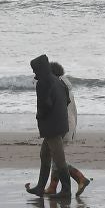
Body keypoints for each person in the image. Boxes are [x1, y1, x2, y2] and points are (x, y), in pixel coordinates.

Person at [25, 53, 72, 199]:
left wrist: (40, 116)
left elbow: (44, 104)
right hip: (61, 124)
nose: (34, 73)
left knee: (59, 159)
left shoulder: (43, 83)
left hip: (53, 127)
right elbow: (67, 100)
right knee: (44, 155)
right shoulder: (58, 81)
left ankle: (66, 191)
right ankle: (40, 187)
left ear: (40, 69)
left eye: (35, 70)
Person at [44, 61, 92, 197]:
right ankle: (53, 186)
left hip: (63, 126)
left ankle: (80, 178)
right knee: (56, 157)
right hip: (68, 124)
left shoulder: (58, 86)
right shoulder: (65, 85)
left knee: (58, 159)